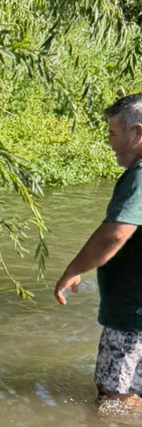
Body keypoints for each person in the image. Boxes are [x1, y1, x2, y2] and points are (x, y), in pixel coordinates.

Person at [54, 93, 142, 407]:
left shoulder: (140, 177)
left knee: (114, 398)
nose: (109, 143)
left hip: (132, 314)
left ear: (138, 132)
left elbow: (116, 233)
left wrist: (74, 270)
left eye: (113, 133)